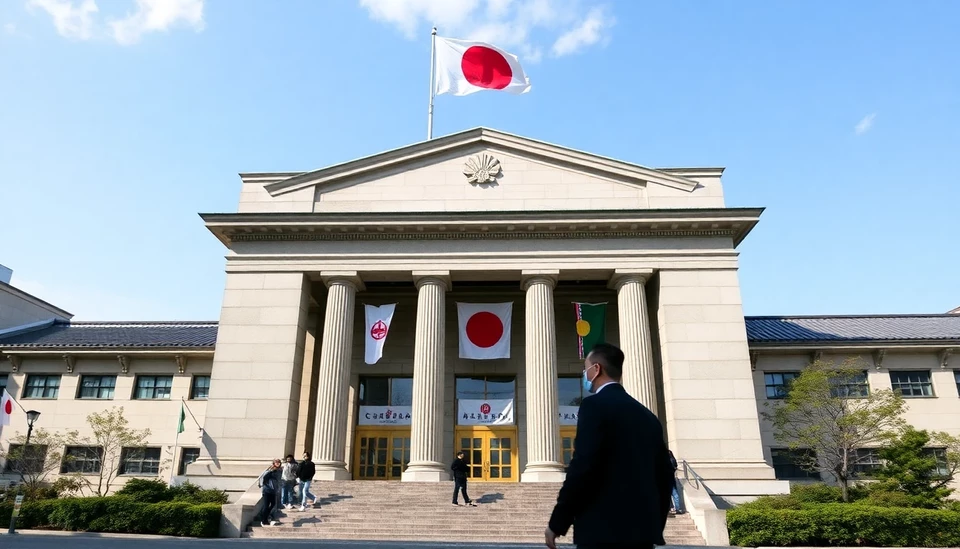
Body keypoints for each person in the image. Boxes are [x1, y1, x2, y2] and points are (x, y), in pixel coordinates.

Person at [545, 343, 675, 549]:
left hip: (601, 532)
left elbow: (583, 467)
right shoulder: (648, 416)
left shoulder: (594, 406)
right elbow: (665, 476)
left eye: (586, 368)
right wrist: (654, 527)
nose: (584, 374)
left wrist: (558, 523)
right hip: (642, 536)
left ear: (596, 369)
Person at [257, 459, 282, 527]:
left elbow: (279, 480)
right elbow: (264, 478)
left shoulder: (279, 470)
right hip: (267, 490)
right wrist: (271, 472)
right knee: (266, 505)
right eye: (276, 463)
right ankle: (263, 520)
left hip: (273, 491)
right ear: (273, 463)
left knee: (273, 504)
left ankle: (265, 518)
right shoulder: (271, 470)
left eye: (279, 462)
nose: (278, 464)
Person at [668, 450, 686, 514]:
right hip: (672, 478)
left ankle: (671, 508)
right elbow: (675, 467)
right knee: (675, 494)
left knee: (674, 494)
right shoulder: (673, 460)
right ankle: (677, 508)